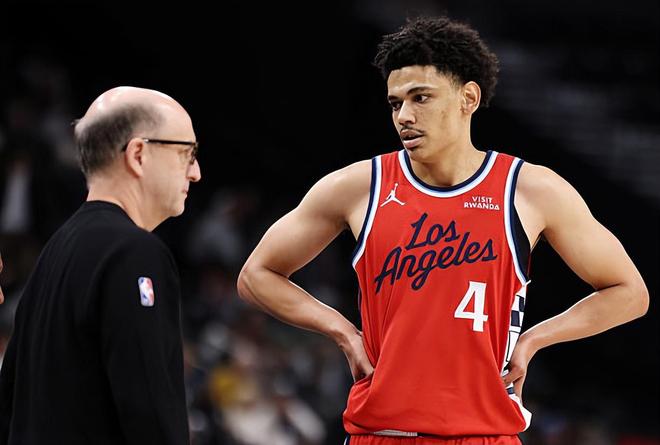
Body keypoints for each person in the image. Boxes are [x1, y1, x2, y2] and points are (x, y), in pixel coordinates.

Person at [236, 16, 649, 445]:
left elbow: (629, 293)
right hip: (382, 432)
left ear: (468, 98)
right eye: (395, 103)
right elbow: (255, 276)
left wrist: (534, 339)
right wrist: (342, 332)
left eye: (421, 98)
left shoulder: (530, 190)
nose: (404, 116)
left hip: (485, 433)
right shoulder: (359, 187)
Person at [0, 86, 201, 444]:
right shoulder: (135, 253)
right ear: (138, 154)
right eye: (187, 153)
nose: (196, 172)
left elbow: (9, 403)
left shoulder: (53, 253)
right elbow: (150, 412)